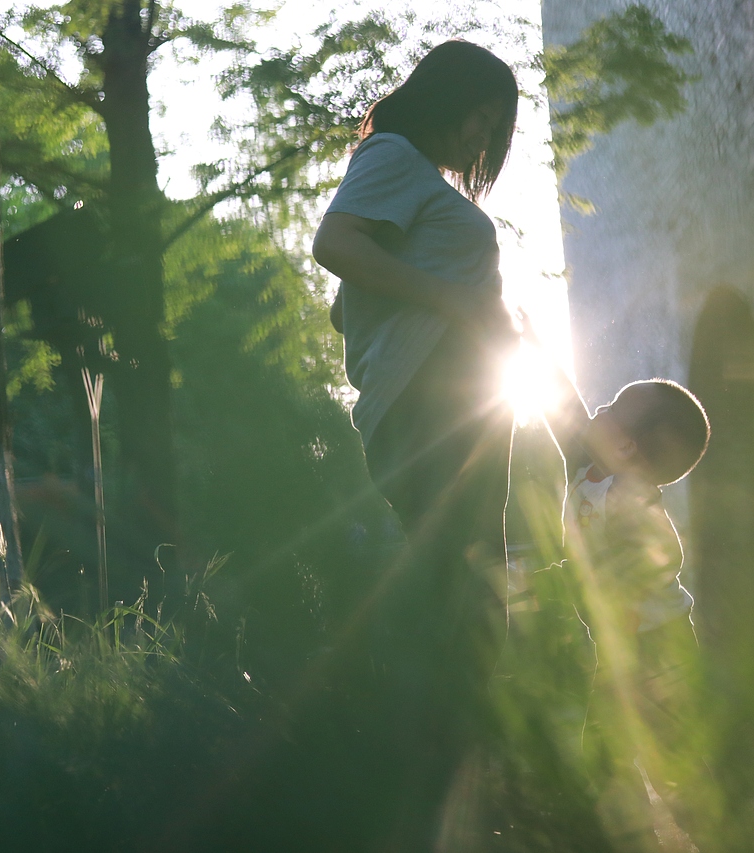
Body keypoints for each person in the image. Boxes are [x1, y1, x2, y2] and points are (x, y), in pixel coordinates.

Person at [312, 39, 521, 850]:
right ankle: (435, 795)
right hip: (433, 404)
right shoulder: (394, 154)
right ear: (448, 95)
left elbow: (353, 300)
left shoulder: (424, 183)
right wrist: (450, 301)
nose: (483, 133)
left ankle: (457, 786)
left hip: (465, 401)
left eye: (495, 125)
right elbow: (336, 245)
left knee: (473, 590)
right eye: (480, 112)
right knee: (463, 593)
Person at [537, 360, 713, 851]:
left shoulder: (630, 499)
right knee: (608, 751)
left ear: (626, 447)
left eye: (612, 407)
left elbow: (659, 557)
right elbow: (568, 411)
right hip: (622, 644)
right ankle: (632, 836)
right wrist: (533, 348)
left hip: (657, 647)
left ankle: (714, 830)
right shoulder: (588, 469)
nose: (599, 407)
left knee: (673, 761)